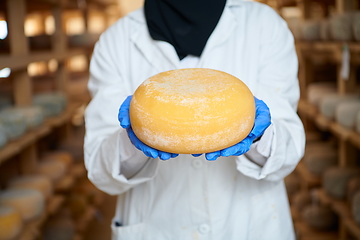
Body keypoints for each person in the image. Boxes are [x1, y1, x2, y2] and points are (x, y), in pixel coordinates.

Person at [84, 0, 306, 239]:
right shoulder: (116, 41)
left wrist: (259, 136)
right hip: (158, 227)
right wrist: (135, 138)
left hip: (249, 224)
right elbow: (100, 171)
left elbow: (290, 152)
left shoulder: (265, 25)